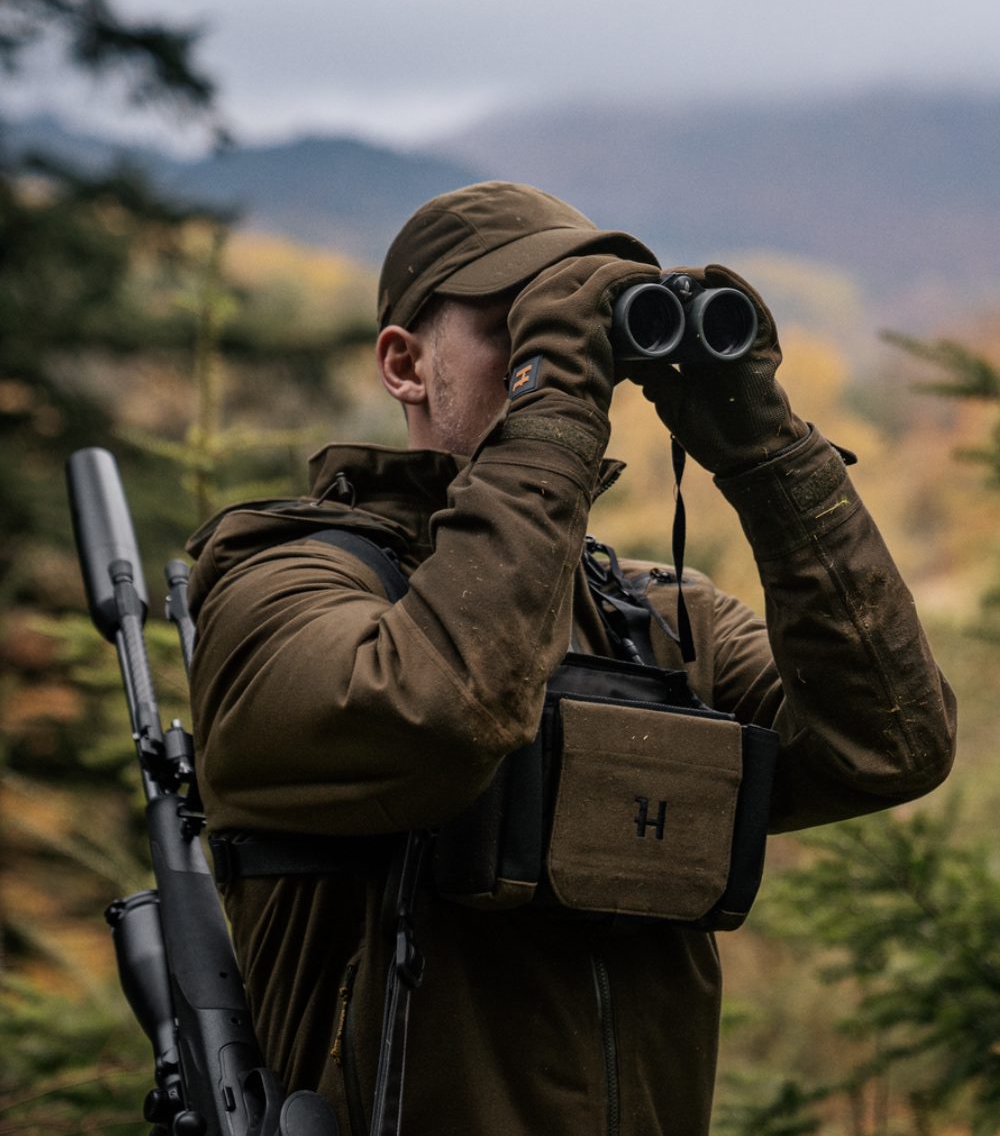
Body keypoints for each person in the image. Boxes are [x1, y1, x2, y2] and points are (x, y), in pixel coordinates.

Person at [186, 181, 956, 1136]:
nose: (569, 363)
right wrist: (548, 414)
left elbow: (891, 743)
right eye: (524, 327)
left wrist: (767, 451)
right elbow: (442, 708)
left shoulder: (662, 624)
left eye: (585, 331)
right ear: (405, 364)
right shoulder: (285, 589)